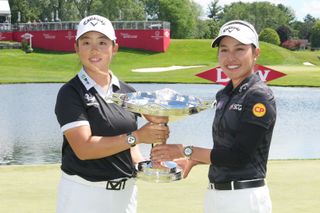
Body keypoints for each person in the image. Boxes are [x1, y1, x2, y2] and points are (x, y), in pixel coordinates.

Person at [151, 20, 277, 213]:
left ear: (256, 53)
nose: (230, 57)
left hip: (245, 198)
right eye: (224, 50)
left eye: (239, 49)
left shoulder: (258, 96)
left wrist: (184, 150)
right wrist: (192, 160)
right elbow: (224, 149)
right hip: (216, 196)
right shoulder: (225, 94)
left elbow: (239, 157)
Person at [54, 14, 169, 213]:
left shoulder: (128, 93)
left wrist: (149, 164)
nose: (94, 49)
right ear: (76, 48)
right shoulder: (71, 92)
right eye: (86, 42)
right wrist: (138, 137)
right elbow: (84, 148)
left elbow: (131, 151)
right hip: (83, 195)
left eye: (102, 42)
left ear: (114, 48)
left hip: (125, 196)